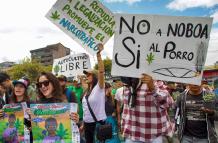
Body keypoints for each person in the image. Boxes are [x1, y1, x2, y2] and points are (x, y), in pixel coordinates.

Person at [121, 74, 174, 143]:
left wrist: (152, 87)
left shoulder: (156, 80)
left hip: (154, 135)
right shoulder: (127, 82)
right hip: (132, 133)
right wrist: (124, 125)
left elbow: (168, 103)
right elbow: (126, 108)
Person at [81, 44, 106, 143]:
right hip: (87, 124)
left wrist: (98, 56)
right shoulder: (87, 91)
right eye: (86, 74)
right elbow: (86, 109)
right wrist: (83, 124)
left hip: (97, 123)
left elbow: (101, 72)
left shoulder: (99, 88)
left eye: (88, 74)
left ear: (94, 76)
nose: (86, 76)